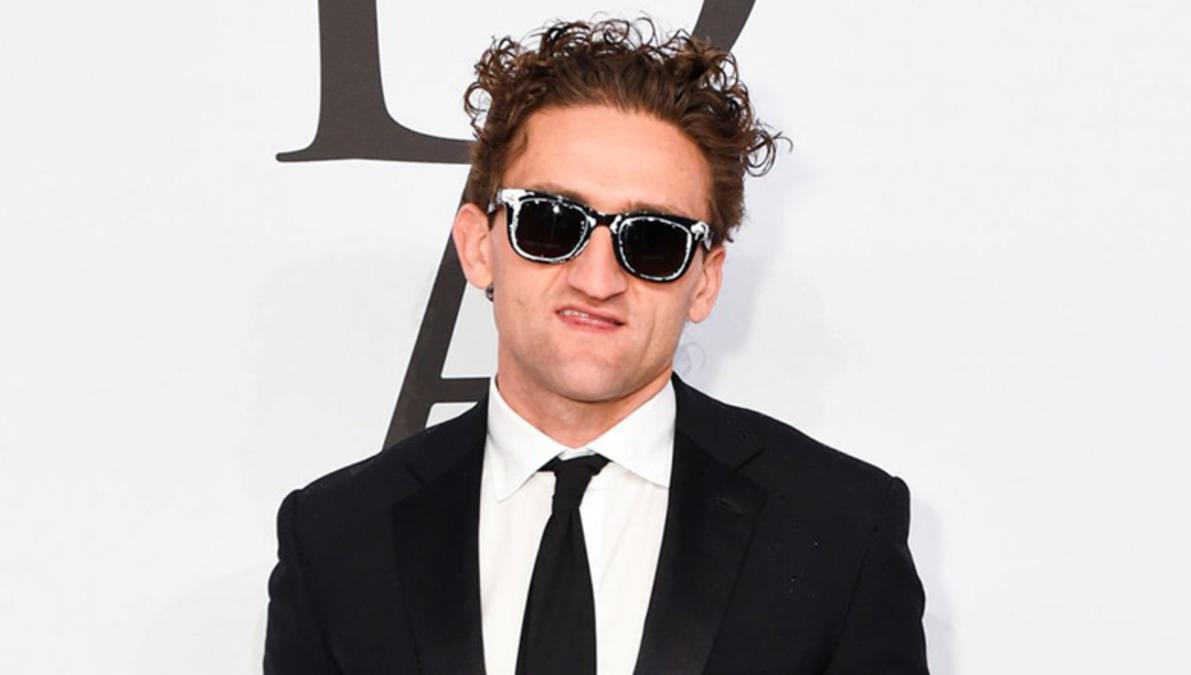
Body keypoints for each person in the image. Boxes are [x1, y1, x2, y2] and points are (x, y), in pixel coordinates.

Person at [264, 17, 927, 675]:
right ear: (478, 246)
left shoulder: (840, 529)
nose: (597, 279)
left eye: (654, 240)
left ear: (704, 281)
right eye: (551, 223)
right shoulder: (336, 539)